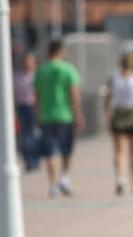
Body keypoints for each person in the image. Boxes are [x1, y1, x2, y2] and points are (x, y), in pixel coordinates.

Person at [33, 40, 85, 197]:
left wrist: (37, 115)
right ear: (60, 52)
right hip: (65, 116)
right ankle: (64, 177)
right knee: (66, 150)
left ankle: (53, 184)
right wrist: (79, 115)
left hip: (46, 116)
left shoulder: (41, 71)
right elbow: (74, 94)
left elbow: (37, 96)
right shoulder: (68, 69)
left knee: (49, 153)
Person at [104, 52, 133, 196]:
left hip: (118, 114)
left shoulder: (114, 79)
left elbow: (106, 99)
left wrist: (107, 114)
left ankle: (121, 177)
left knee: (119, 151)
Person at [13, 53, 40, 172]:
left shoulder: (38, 75)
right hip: (23, 107)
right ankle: (28, 161)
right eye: (27, 61)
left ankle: (36, 160)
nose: (28, 64)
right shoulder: (17, 76)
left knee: (35, 134)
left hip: (36, 107)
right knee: (25, 136)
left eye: (31, 61)